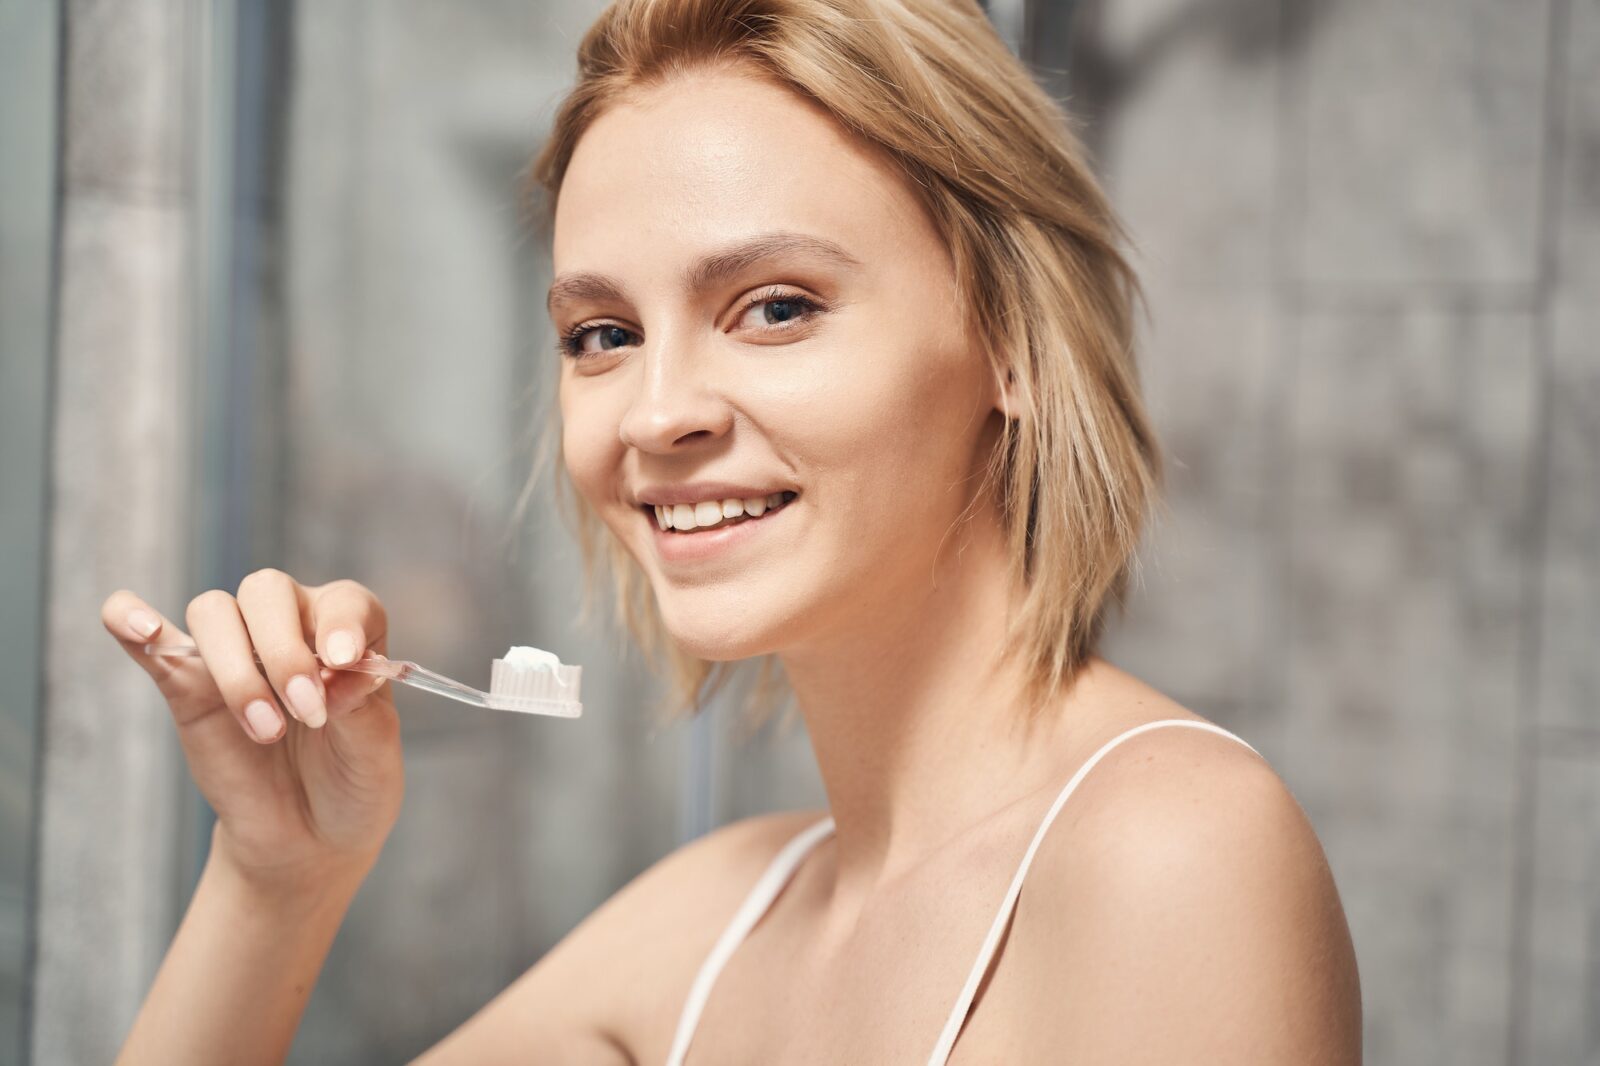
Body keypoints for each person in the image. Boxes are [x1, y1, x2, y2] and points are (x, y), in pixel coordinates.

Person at [104, 0, 1362, 1061]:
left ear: (1013, 343)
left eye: (773, 307)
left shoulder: (1171, 847)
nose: (655, 414)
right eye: (602, 334)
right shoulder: (713, 918)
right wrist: (277, 881)